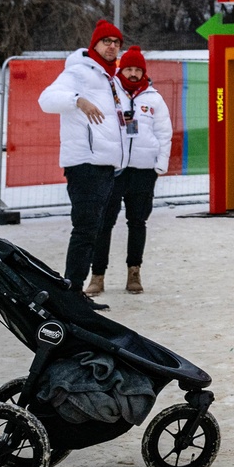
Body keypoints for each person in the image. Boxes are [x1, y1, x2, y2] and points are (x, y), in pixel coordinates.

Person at [37, 20, 128, 307]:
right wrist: (77, 100)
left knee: (95, 228)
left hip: (106, 164)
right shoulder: (79, 71)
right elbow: (46, 99)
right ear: (95, 45)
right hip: (85, 163)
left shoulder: (111, 78)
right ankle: (72, 292)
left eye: (116, 42)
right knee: (85, 228)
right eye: (106, 41)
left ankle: (75, 291)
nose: (112, 46)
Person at [93, 46, 171, 296]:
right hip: (114, 168)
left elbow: (164, 133)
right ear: (121, 69)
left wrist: (160, 164)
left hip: (144, 170)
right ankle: (97, 275)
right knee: (104, 222)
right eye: (129, 69)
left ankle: (134, 272)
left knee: (137, 222)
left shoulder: (154, 98)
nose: (134, 73)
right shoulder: (110, 92)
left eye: (138, 69)